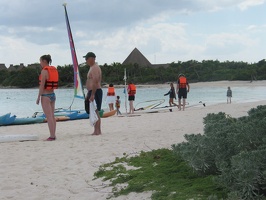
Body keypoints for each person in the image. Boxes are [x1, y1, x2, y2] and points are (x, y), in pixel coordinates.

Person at [36, 54, 58, 141]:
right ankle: (53, 134)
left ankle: (52, 136)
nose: (40, 63)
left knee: (49, 117)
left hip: (45, 96)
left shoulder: (44, 71)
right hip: (53, 95)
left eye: (40, 61)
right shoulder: (53, 70)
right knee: (52, 116)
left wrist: (38, 97)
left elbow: (42, 86)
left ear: (44, 61)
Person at [84, 52, 103, 135]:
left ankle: (98, 130)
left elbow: (95, 81)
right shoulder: (92, 67)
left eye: (87, 59)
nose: (86, 60)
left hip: (95, 91)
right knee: (93, 111)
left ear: (92, 58)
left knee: (96, 111)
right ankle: (96, 130)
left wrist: (92, 94)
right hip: (91, 91)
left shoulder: (95, 68)